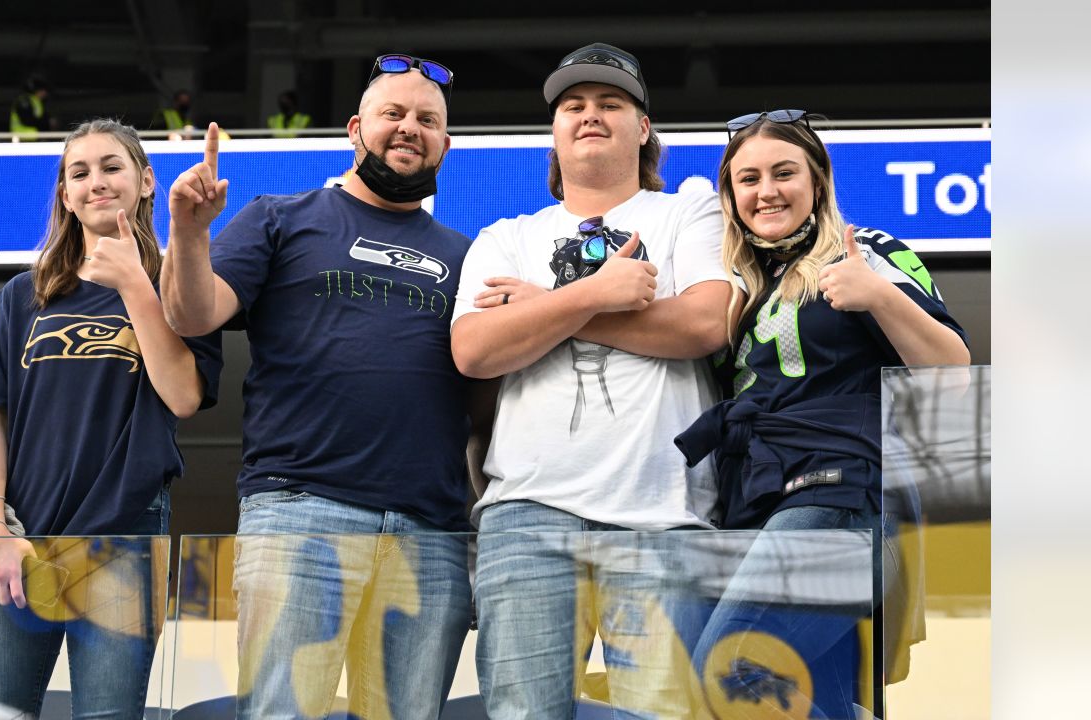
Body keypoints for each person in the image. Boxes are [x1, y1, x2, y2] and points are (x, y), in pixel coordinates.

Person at [161, 54, 481, 719]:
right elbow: (193, 314)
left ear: (445, 144)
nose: (409, 129)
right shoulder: (281, 216)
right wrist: (189, 233)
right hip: (302, 514)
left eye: (427, 119)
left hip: (430, 533)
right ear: (354, 128)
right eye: (393, 114)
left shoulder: (467, 253)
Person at [450, 42, 732, 718]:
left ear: (643, 130)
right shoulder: (504, 236)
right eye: (573, 105)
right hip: (527, 514)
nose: (589, 115)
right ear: (553, 133)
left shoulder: (688, 212)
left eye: (611, 103)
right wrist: (596, 294)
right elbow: (474, 352)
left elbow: (705, 324)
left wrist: (543, 310)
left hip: (663, 515)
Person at [674, 110, 969, 718]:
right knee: (815, 703)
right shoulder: (734, 283)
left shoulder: (870, 251)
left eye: (785, 173)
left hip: (839, 493)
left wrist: (879, 295)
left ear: (818, 183)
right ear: (730, 195)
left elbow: (953, 372)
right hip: (749, 508)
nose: (767, 191)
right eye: (748, 179)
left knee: (729, 670)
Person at [0, 118, 223, 719]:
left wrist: (135, 285)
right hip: (20, 540)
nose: (96, 181)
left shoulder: (182, 288)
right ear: (64, 195)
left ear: (147, 181)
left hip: (123, 538)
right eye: (79, 173)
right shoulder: (22, 296)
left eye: (112, 167)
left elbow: (183, 396)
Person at [10, 73, 56, 140]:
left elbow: (41, 117)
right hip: (21, 137)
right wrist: (47, 122)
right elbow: (27, 120)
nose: (45, 94)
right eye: (44, 91)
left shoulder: (37, 101)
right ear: (39, 90)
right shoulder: (24, 101)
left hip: (33, 136)